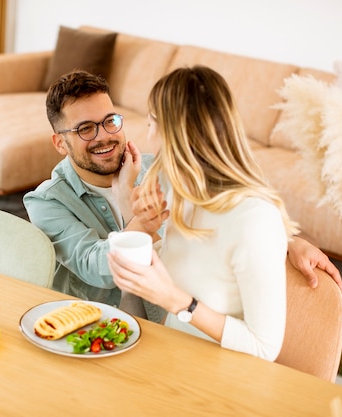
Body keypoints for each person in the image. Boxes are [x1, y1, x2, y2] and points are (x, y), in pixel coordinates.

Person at [24, 70, 342, 318]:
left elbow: (224, 210)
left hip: (170, 323)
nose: (104, 136)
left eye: (110, 121)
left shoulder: (158, 168)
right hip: (98, 330)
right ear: (60, 143)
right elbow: (98, 269)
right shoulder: (47, 202)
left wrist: (288, 241)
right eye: (85, 129)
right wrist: (132, 208)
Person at [107, 65, 303, 360]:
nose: (147, 137)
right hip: (171, 357)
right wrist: (137, 218)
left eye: (150, 124)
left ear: (169, 131)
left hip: (218, 381)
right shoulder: (180, 192)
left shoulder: (255, 221)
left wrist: (177, 302)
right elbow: (194, 268)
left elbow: (265, 349)